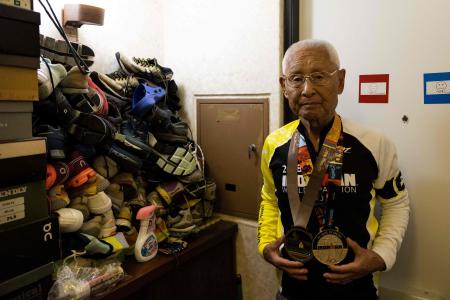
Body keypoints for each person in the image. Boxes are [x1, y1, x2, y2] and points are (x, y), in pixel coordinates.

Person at [257, 39, 410, 300]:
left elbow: (397, 202)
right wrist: (264, 247)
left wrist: (382, 256)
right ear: (284, 86)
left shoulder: (373, 143)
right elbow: (270, 200)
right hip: (292, 288)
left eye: (318, 76)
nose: (306, 90)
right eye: (296, 78)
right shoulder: (274, 144)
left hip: (358, 289)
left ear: (339, 81)